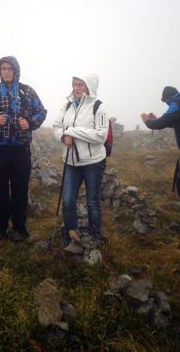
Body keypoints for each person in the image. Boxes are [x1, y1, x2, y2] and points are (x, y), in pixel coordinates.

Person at [0, 57, 47, 242]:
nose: (6, 72)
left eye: (9, 68)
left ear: (16, 70)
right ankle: (0, 228)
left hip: (21, 151)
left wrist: (30, 122)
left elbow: (41, 112)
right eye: (3, 69)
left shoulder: (27, 91)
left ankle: (19, 228)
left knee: (20, 190)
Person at [53, 74, 109, 244]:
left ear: (89, 86)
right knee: (68, 199)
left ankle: (95, 235)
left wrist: (72, 131)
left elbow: (101, 136)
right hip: (71, 161)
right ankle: (71, 233)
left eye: (80, 84)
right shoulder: (67, 105)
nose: (76, 88)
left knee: (92, 201)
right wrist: (63, 136)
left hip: (93, 162)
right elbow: (56, 126)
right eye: (74, 84)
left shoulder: (98, 107)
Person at [141, 86, 180, 233]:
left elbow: (158, 125)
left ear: (168, 98)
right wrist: (157, 118)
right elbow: (175, 121)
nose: (166, 104)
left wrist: (147, 121)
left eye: (165, 101)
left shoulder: (176, 104)